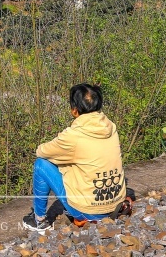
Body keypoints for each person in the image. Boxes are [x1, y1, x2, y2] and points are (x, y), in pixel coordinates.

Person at [22, 84, 128, 233]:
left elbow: (41, 152)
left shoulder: (73, 136)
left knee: (41, 165)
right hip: (116, 205)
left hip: (89, 212)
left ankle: (39, 221)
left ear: (74, 110)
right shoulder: (111, 127)